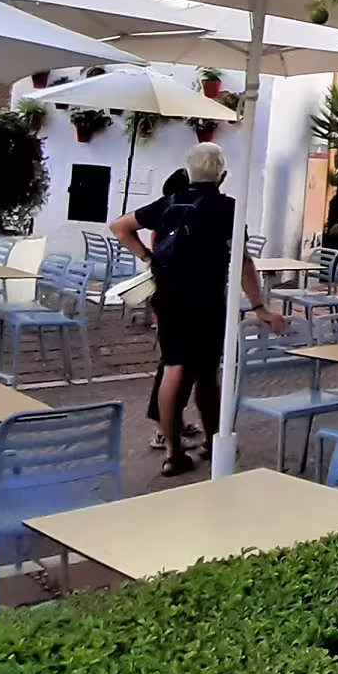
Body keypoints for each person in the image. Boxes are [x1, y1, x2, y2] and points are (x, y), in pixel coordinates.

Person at [111, 143, 284, 477]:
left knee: (174, 367)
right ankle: (212, 440)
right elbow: (242, 260)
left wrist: (149, 259)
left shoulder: (169, 202)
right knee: (206, 373)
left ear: (188, 171)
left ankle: (173, 452)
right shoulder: (228, 208)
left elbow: (119, 226)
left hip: (169, 296)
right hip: (207, 299)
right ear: (222, 175)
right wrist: (259, 305)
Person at [143, 168, 194, 452]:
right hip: (176, 299)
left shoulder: (168, 218)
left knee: (178, 364)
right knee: (173, 364)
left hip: (168, 297)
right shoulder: (171, 221)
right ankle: (164, 428)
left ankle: (174, 421)